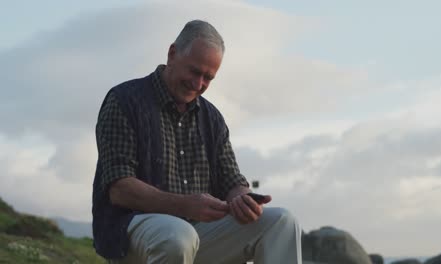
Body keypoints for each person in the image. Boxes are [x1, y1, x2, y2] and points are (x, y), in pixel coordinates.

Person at [92, 19, 302, 264]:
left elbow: (231, 181)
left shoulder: (212, 117)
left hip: (197, 233)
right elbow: (119, 190)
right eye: (194, 71)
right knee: (178, 236)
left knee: (282, 221)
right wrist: (184, 206)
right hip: (131, 234)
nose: (198, 84)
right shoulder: (124, 100)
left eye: (208, 78)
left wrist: (242, 199)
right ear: (172, 53)